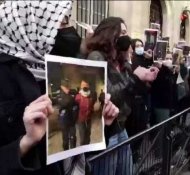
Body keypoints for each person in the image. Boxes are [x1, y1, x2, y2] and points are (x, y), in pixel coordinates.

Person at [0, 1, 119, 175]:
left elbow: (77, 147)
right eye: (62, 22)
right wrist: (25, 143)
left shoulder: (61, 70)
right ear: (32, 27)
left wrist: (99, 123)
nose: (69, 30)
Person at [85, 17, 159, 175]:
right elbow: (107, 95)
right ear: (110, 33)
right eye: (123, 32)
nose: (127, 37)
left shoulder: (121, 60)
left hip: (122, 127)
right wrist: (135, 77)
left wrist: (143, 76)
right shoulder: (96, 57)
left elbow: (130, 92)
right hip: (106, 132)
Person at [56, 79, 78, 150]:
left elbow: (77, 102)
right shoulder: (59, 94)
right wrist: (72, 97)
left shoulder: (72, 92)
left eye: (68, 86)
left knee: (73, 137)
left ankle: (73, 151)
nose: (67, 88)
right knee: (65, 140)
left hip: (72, 120)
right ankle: (66, 152)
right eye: (66, 87)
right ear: (62, 87)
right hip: (64, 121)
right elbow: (64, 103)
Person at [75, 80, 96, 146]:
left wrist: (91, 113)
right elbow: (75, 108)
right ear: (81, 87)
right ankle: (82, 153)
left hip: (88, 120)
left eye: (86, 85)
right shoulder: (78, 97)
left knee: (88, 136)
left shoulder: (91, 96)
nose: (85, 87)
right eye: (83, 85)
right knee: (83, 138)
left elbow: (92, 107)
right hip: (81, 120)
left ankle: (88, 152)